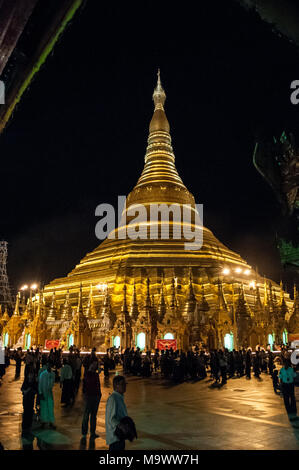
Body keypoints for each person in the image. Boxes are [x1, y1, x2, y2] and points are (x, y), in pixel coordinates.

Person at [105, 375, 128, 451]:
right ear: (116, 385)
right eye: (123, 384)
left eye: (125, 384)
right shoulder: (113, 399)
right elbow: (111, 419)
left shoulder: (119, 397)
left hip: (119, 436)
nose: (125, 386)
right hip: (115, 437)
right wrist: (122, 426)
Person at [81, 360, 102, 444]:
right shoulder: (88, 374)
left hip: (96, 396)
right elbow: (89, 383)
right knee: (87, 414)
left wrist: (99, 394)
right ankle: (84, 432)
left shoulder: (95, 374)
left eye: (96, 365)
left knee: (93, 415)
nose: (95, 366)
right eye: (93, 364)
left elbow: (97, 384)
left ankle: (92, 432)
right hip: (89, 396)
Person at [38, 362, 56, 429]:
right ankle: (44, 422)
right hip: (43, 392)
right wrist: (40, 393)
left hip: (49, 393)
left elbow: (52, 383)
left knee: (50, 407)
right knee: (44, 408)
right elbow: (40, 384)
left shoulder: (52, 374)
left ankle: (51, 422)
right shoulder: (43, 374)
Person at [21, 365, 37, 431]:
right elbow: (22, 389)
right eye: (30, 375)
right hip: (26, 400)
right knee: (26, 412)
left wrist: (32, 390)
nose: (31, 376)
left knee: (30, 412)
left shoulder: (34, 383)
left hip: (31, 400)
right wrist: (27, 390)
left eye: (32, 375)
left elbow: (36, 390)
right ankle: (25, 426)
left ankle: (29, 425)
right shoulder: (26, 382)